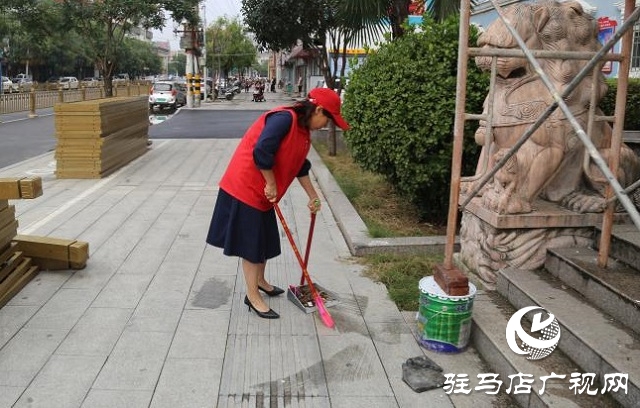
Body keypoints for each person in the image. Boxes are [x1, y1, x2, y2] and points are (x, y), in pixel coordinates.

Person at [206, 88, 350, 319]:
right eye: (328, 120)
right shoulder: (284, 119)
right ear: (319, 110)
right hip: (246, 187)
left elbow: (300, 165)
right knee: (251, 245)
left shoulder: (303, 131)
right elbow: (262, 151)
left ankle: (261, 281)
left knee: (264, 239)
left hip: (263, 192)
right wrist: (271, 183)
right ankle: (252, 296)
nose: (326, 126)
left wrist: (313, 195)